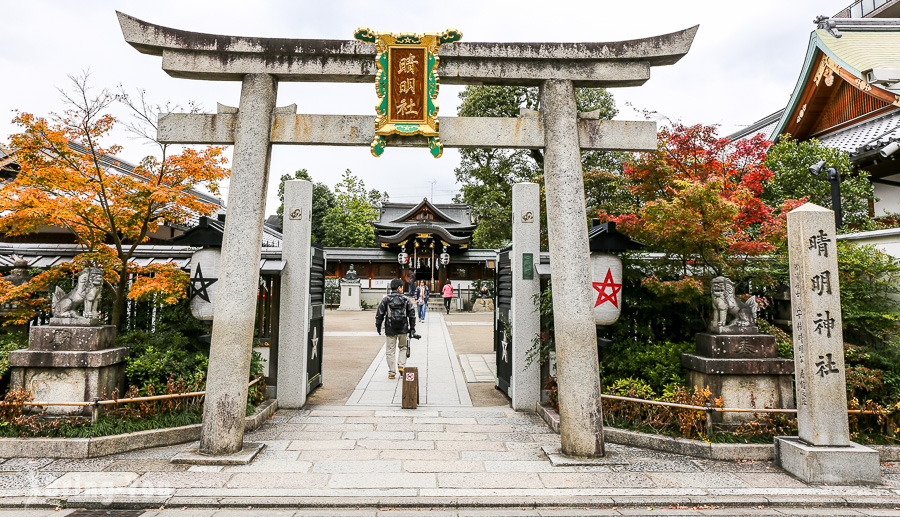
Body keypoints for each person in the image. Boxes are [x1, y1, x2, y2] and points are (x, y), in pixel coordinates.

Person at [375, 278, 417, 379]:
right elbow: (412, 314)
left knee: (390, 350)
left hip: (390, 328)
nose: (402, 289)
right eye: (402, 287)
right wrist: (412, 328)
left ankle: (391, 371)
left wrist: (378, 326)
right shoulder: (405, 299)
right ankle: (401, 366)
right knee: (403, 347)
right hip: (403, 327)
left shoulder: (386, 299)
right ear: (399, 288)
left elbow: (379, 314)